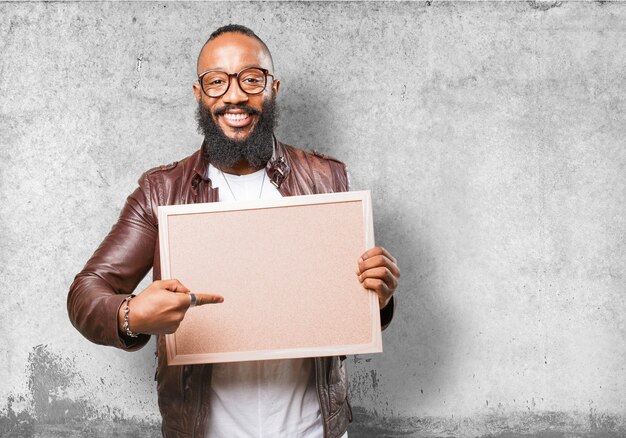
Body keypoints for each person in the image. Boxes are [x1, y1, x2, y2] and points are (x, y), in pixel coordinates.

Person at [67, 24, 400, 438]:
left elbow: (348, 307)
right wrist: (131, 316)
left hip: (314, 430)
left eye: (251, 78)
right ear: (199, 94)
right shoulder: (161, 192)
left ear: (273, 87)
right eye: (217, 82)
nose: (235, 95)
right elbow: (87, 292)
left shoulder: (327, 179)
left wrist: (378, 297)